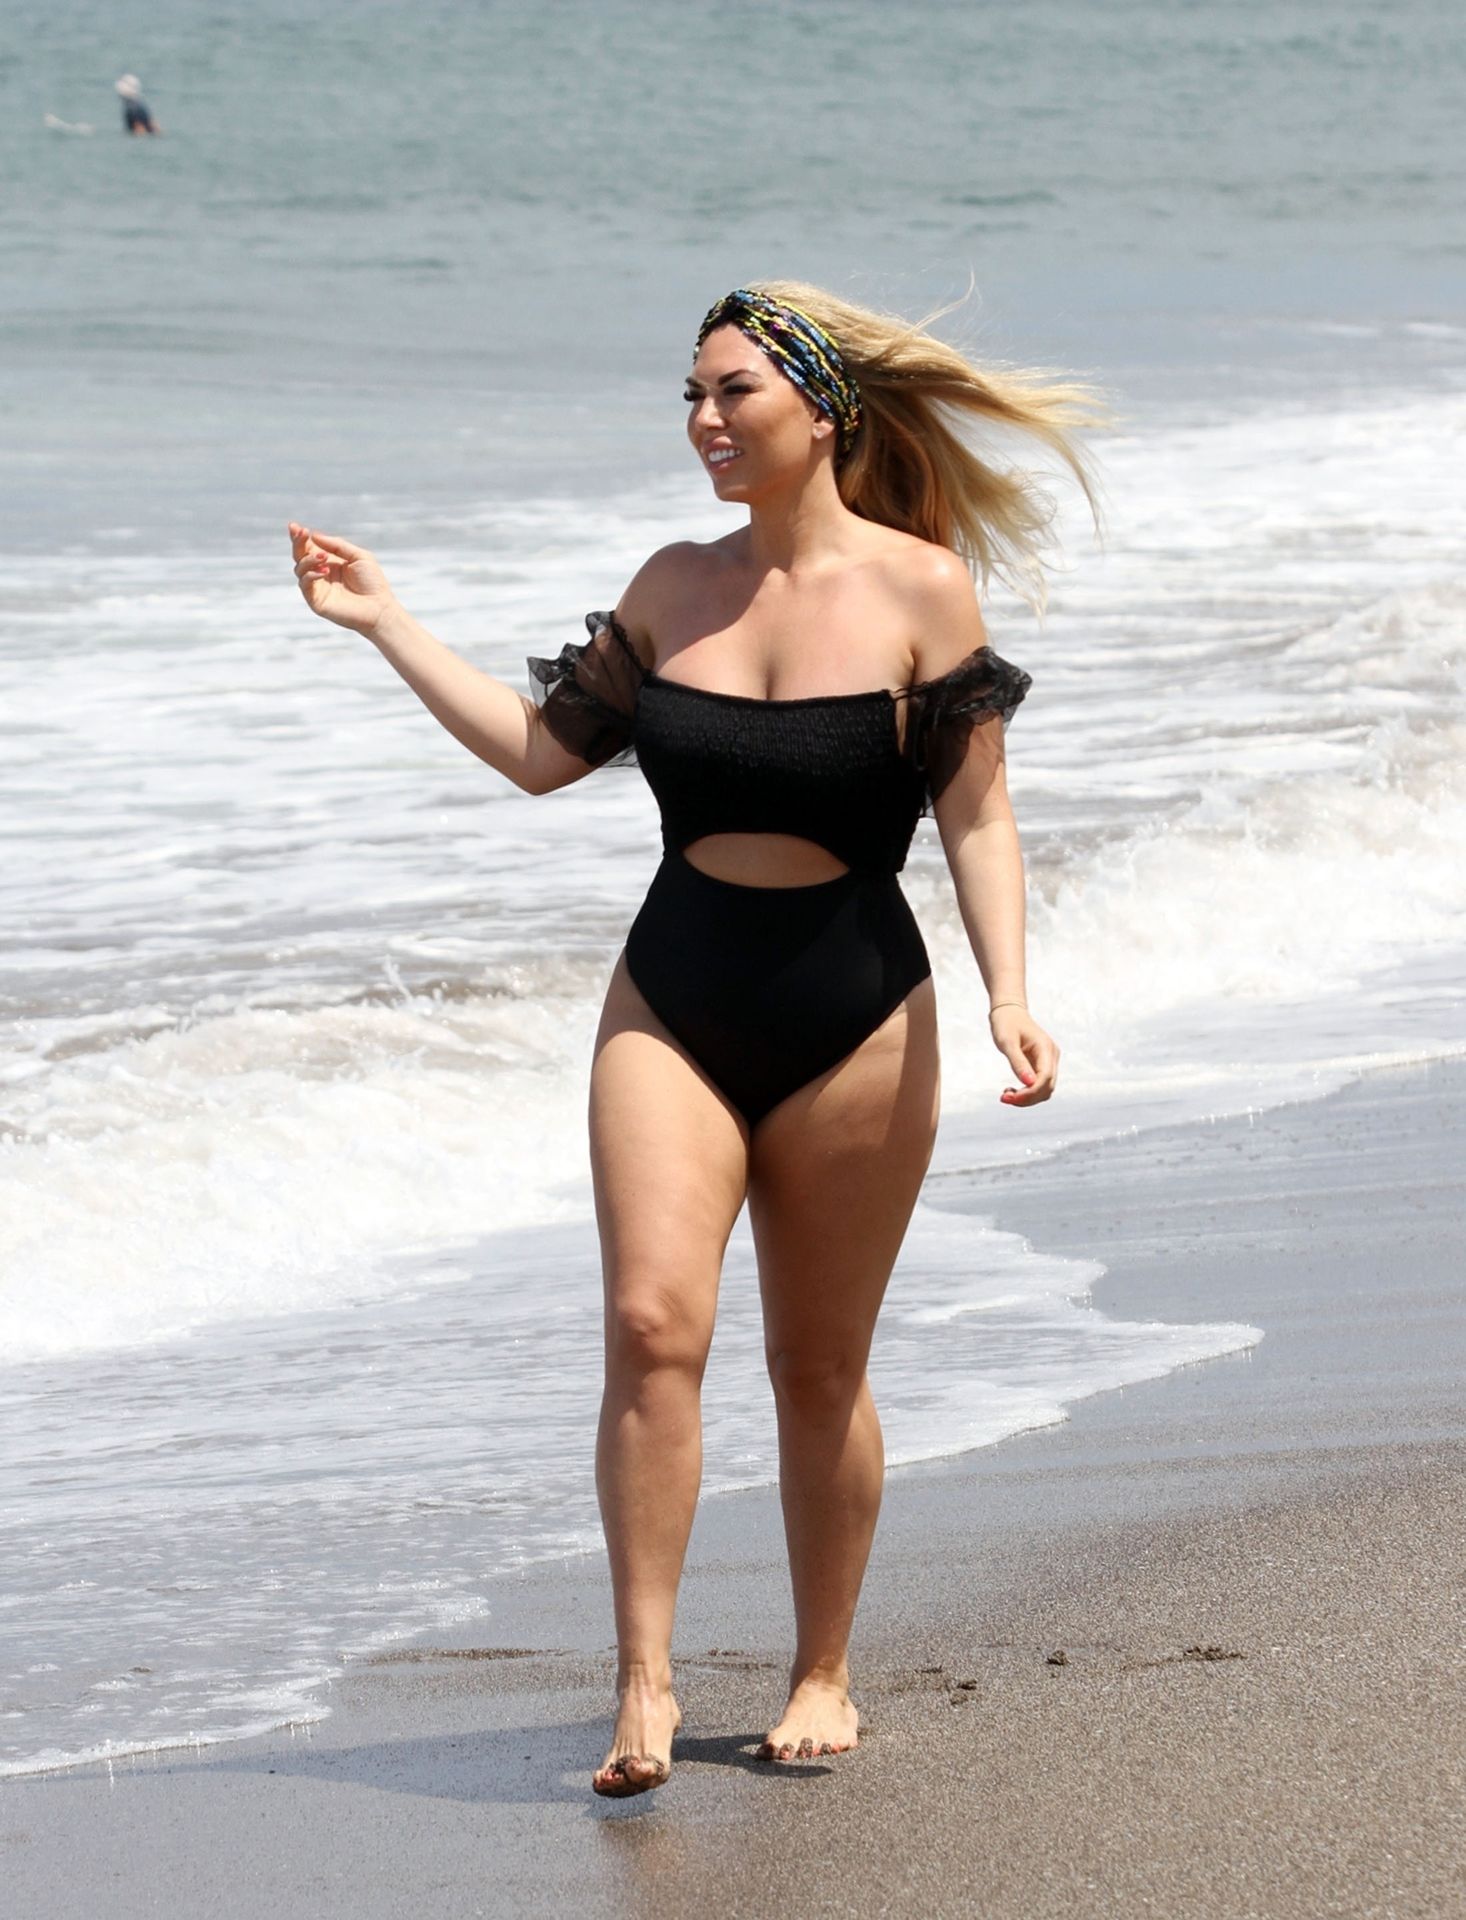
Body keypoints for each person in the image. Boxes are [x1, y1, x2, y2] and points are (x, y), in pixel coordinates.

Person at [288, 281, 1105, 1799]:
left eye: (735, 392)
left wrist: (1010, 990)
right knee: (652, 1328)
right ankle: (645, 1683)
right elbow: (542, 755)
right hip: (671, 996)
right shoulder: (671, 585)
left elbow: (976, 812)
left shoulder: (925, 589)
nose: (705, 420)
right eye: (692, 395)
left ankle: (821, 1672)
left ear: (823, 410)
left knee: (817, 1364)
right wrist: (386, 621)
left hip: (861, 1012)